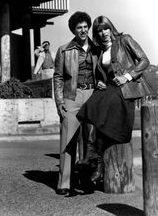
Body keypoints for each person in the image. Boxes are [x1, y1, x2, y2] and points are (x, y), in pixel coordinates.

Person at [76, 15, 150, 183]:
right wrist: (100, 82)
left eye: (106, 28)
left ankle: (96, 160)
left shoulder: (125, 40)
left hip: (125, 89)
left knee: (102, 110)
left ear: (111, 28)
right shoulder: (100, 50)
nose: (103, 33)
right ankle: (93, 156)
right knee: (89, 108)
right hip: (110, 88)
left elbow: (144, 60)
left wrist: (127, 76)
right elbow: (101, 73)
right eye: (99, 31)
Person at [53, 11, 100, 196]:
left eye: (85, 26)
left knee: (90, 141)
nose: (82, 30)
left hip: (92, 95)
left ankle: (87, 180)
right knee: (68, 140)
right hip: (71, 97)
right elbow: (57, 77)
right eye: (78, 27)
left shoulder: (97, 49)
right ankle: (65, 183)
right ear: (73, 30)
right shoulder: (64, 50)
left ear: (88, 27)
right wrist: (59, 103)